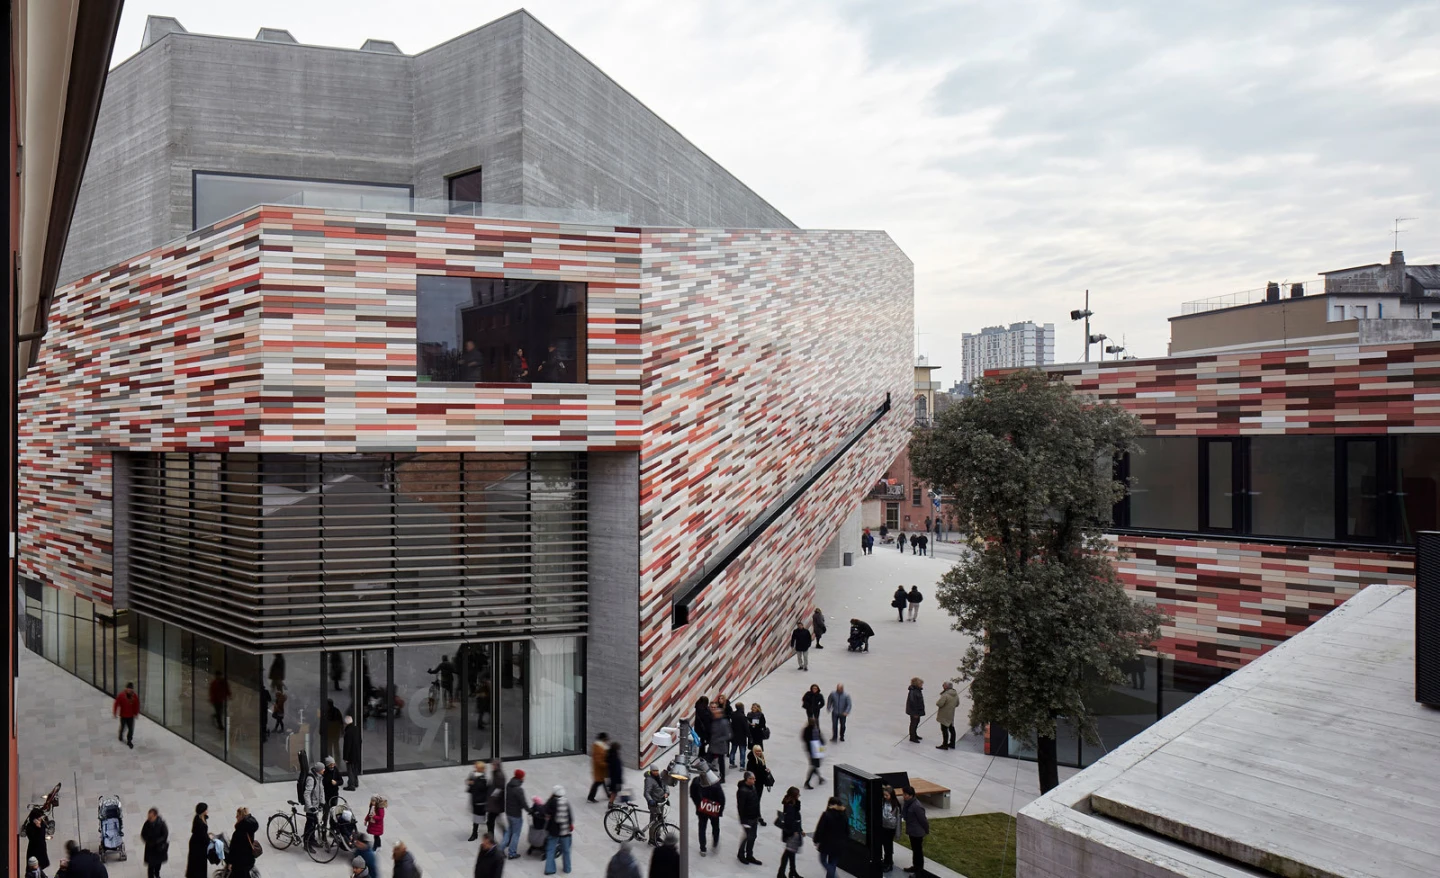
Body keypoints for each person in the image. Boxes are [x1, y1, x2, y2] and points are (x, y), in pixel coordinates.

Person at [690, 768, 724, 857]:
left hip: (702, 809)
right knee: (716, 827)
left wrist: (698, 804)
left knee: (702, 828)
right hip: (714, 809)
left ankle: (702, 848)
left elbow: (692, 794)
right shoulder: (715, 784)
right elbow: (722, 798)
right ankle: (715, 842)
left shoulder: (696, 781)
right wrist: (720, 811)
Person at [812, 797, 847, 878]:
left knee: (823, 860)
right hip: (839, 844)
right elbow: (847, 831)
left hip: (827, 843)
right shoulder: (844, 815)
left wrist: (816, 840)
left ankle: (834, 876)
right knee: (833, 863)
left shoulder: (826, 815)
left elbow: (820, 829)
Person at [543, 786, 574, 875]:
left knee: (551, 849)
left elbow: (545, 811)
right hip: (565, 831)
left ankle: (550, 869)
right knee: (566, 850)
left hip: (554, 830)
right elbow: (570, 817)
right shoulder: (566, 802)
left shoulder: (552, 802)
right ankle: (567, 868)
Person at [735, 771, 763, 866]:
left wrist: (758, 814)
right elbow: (740, 807)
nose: (754, 780)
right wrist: (743, 820)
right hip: (748, 818)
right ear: (747, 779)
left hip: (754, 817)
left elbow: (756, 802)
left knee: (753, 836)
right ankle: (741, 854)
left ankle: (749, 854)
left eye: (754, 778)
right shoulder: (742, 791)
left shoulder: (753, 787)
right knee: (747, 837)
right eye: (751, 778)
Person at [901, 786, 930, 876]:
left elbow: (923, 820)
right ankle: (915, 866)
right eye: (903, 794)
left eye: (905, 794)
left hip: (917, 833)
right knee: (915, 849)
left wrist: (926, 830)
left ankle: (919, 870)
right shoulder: (907, 803)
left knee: (918, 851)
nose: (903, 796)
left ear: (911, 795)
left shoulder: (917, 806)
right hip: (912, 831)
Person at [776, 786, 804, 878]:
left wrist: (800, 830)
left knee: (791, 853)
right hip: (792, 834)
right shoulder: (790, 807)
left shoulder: (791, 804)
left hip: (793, 832)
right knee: (788, 853)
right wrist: (796, 831)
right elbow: (791, 821)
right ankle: (782, 873)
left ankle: (792, 871)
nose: (799, 795)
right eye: (798, 794)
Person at [225, 807, 259, 878]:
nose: (236, 817)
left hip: (239, 862)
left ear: (241, 816)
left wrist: (230, 862)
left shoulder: (238, 833)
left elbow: (233, 849)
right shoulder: (250, 828)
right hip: (248, 860)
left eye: (237, 815)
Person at [745, 745, 774, 826]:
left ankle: (755, 815)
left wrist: (766, 771)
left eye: (759, 751)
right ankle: (757, 816)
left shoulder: (761, 759)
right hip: (754, 785)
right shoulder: (752, 761)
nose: (758, 752)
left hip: (759, 784)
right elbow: (750, 773)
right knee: (755, 801)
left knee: (757, 801)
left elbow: (762, 770)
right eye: (757, 751)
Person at [504, 769, 528, 859]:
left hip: (508, 812)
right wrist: (530, 811)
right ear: (521, 777)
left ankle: (501, 848)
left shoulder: (509, 785)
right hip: (516, 815)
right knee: (516, 834)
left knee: (509, 831)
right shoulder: (519, 789)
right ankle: (512, 853)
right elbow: (523, 803)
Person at [141, 808, 169, 878]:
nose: (149, 818)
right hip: (150, 848)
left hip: (158, 848)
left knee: (158, 863)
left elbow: (165, 835)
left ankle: (157, 874)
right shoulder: (147, 823)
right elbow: (143, 834)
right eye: (148, 816)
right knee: (150, 865)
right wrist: (147, 840)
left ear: (155, 816)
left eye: (150, 817)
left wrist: (157, 841)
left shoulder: (161, 824)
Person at [302, 762, 323, 852]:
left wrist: (322, 802)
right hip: (311, 807)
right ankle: (307, 843)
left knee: (314, 823)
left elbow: (321, 791)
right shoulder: (311, 778)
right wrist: (310, 806)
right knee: (310, 825)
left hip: (316, 806)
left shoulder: (318, 777)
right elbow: (307, 793)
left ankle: (312, 839)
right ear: (319, 770)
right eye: (323, 769)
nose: (324, 770)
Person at [706, 704, 731, 782]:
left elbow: (728, 735)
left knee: (721, 762)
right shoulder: (714, 721)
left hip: (720, 746)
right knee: (708, 760)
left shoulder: (724, 722)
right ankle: (708, 775)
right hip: (713, 745)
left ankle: (722, 777)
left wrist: (718, 739)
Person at [185, 803, 210, 878]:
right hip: (198, 845)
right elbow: (202, 836)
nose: (207, 811)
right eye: (206, 809)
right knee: (197, 862)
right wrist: (208, 838)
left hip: (198, 842)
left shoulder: (201, 817)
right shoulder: (199, 822)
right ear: (203, 811)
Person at [879, 786, 900, 872]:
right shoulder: (883, 802)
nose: (885, 797)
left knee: (888, 846)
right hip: (883, 826)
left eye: (887, 795)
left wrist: (897, 832)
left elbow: (898, 819)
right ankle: (887, 860)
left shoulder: (895, 805)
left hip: (890, 828)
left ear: (891, 795)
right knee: (884, 844)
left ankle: (889, 863)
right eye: (884, 795)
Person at [113, 682, 140, 749]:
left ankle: (129, 741)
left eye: (131, 690)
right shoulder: (121, 695)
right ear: (126, 689)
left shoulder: (134, 696)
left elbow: (137, 705)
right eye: (128, 689)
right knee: (123, 727)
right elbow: (116, 703)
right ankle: (120, 735)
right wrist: (114, 713)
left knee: (131, 729)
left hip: (131, 716)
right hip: (123, 716)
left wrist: (136, 713)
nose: (129, 691)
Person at [468, 760, 490, 841]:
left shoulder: (483, 778)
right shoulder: (473, 775)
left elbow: (482, 788)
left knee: (480, 818)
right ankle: (475, 833)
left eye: (477, 767)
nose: (475, 768)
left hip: (480, 802)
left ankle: (477, 833)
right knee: (476, 818)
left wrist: (473, 783)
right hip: (475, 800)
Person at [801, 717, 826, 789]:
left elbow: (804, 738)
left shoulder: (806, 730)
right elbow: (821, 739)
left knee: (815, 765)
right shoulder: (815, 730)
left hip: (811, 751)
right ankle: (807, 782)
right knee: (814, 766)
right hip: (816, 750)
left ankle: (820, 778)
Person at [934, 682, 960, 750]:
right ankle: (952, 743)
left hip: (944, 714)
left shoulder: (945, 695)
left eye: (943, 685)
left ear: (946, 687)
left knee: (944, 729)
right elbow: (957, 704)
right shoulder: (955, 694)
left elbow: (940, 704)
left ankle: (944, 744)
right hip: (951, 714)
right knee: (951, 728)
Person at [486, 760, 508, 838]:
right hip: (495, 804)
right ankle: (503, 834)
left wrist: (491, 797)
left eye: (494, 765)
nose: (492, 766)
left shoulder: (500, 776)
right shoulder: (495, 773)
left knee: (491, 821)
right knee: (495, 820)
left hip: (496, 804)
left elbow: (499, 789)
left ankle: (491, 836)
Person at [588, 732, 611, 802]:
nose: (607, 740)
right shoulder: (598, 748)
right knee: (597, 782)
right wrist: (607, 764)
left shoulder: (602, 746)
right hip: (599, 769)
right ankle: (590, 797)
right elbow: (598, 761)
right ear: (603, 739)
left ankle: (608, 795)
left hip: (602, 770)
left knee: (602, 782)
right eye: (606, 739)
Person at [728, 701, 751, 768]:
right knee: (742, 752)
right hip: (742, 737)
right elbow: (746, 727)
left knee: (733, 750)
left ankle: (731, 763)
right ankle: (742, 765)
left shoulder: (733, 715)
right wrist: (749, 735)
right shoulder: (743, 717)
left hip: (734, 736)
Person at [343, 714, 362, 790]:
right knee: (355, 769)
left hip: (350, 755)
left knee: (350, 769)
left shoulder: (348, 732)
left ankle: (351, 785)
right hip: (357, 753)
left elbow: (347, 745)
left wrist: (345, 757)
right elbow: (360, 741)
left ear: (346, 723)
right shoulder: (356, 729)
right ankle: (356, 782)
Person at [906, 678, 925, 743]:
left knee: (916, 722)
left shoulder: (917, 690)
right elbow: (912, 702)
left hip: (917, 710)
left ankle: (915, 735)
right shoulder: (913, 691)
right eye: (921, 684)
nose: (922, 685)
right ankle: (912, 737)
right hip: (914, 711)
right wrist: (915, 713)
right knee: (913, 723)